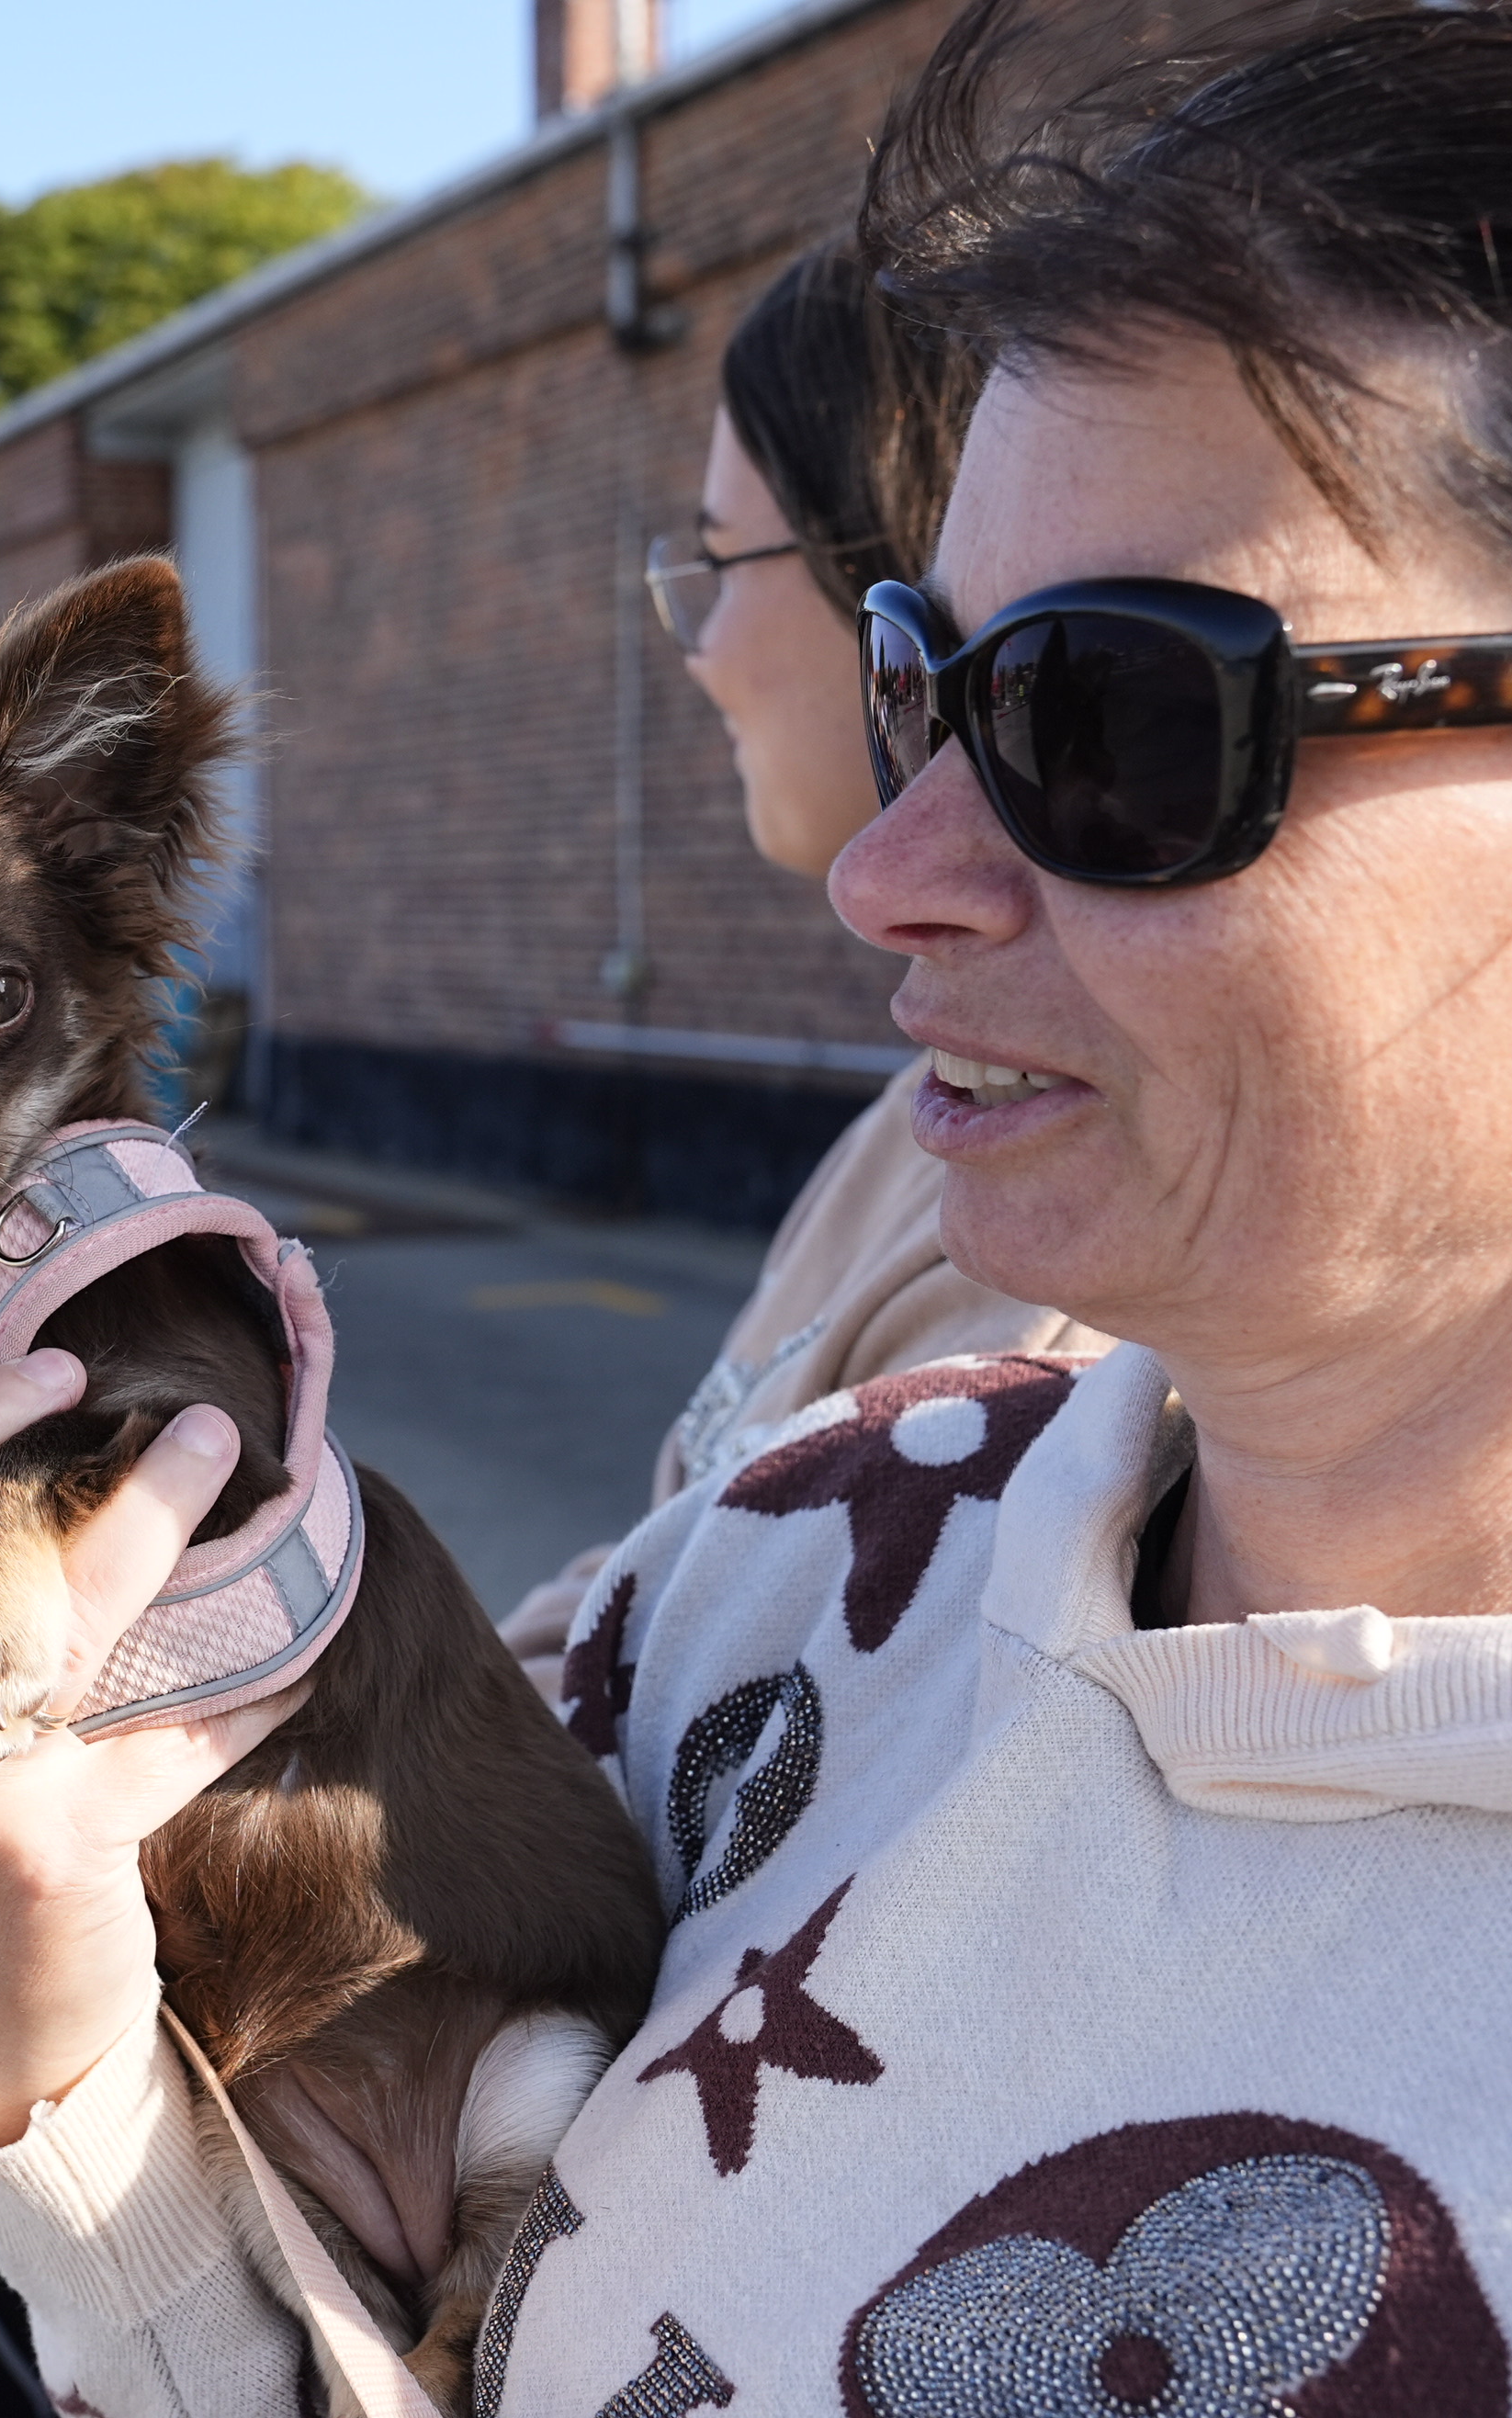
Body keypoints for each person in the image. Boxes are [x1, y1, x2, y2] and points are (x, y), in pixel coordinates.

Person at [0, 4, 1512, 2407]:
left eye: (1123, 718)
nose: (894, 868)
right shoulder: (793, 1566)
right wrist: (24, 2017)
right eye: (920, 678)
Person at [501, 237, 1112, 1695]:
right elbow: (652, 1589)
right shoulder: (929, 1107)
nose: (699, 648)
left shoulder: (1064, 1221)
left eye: (721, 560)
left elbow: (749, 1743)